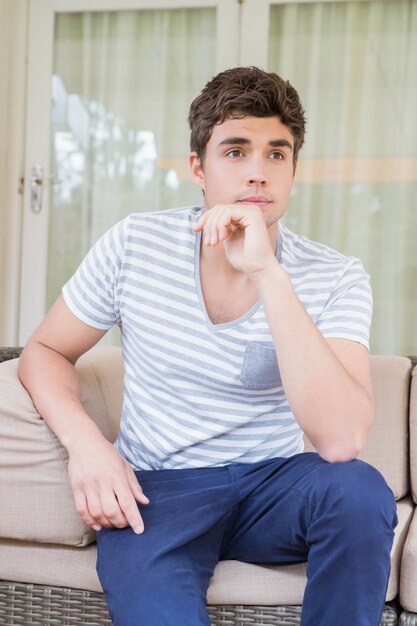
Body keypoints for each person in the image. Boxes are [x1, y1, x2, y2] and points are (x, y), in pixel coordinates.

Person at [19, 66, 397, 626]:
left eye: (276, 154)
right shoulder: (135, 245)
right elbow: (44, 351)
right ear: (198, 167)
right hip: (158, 495)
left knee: (360, 492)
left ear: (294, 170)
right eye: (236, 151)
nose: (257, 174)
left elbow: (341, 440)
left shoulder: (336, 275)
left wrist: (269, 274)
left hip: (275, 486)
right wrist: (86, 444)